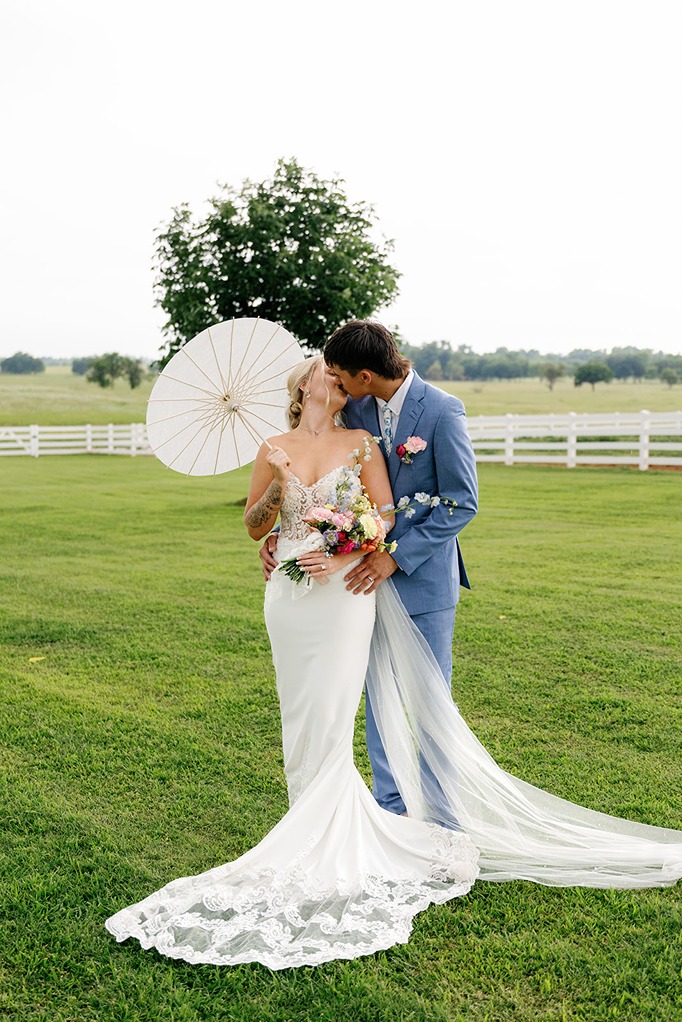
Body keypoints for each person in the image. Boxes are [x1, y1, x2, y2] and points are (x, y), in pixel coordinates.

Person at [105, 354, 682, 970]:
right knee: (299, 712)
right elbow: (254, 528)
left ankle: (384, 825)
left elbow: (382, 515)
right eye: (325, 376)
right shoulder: (272, 445)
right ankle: (310, 827)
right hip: (290, 599)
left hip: (346, 590)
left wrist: (337, 546)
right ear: (305, 391)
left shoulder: (365, 442)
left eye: (339, 374)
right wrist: (275, 485)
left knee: (342, 705)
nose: (336, 380)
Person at [260, 320, 478, 818]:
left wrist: (393, 555)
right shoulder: (354, 405)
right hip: (353, 584)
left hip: (420, 577)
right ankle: (392, 811)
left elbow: (462, 503)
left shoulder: (443, 411)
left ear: (363, 375)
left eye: (339, 373)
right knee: (377, 697)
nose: (331, 381)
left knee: (428, 703)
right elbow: (327, 479)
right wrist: (286, 534)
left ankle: (443, 822)